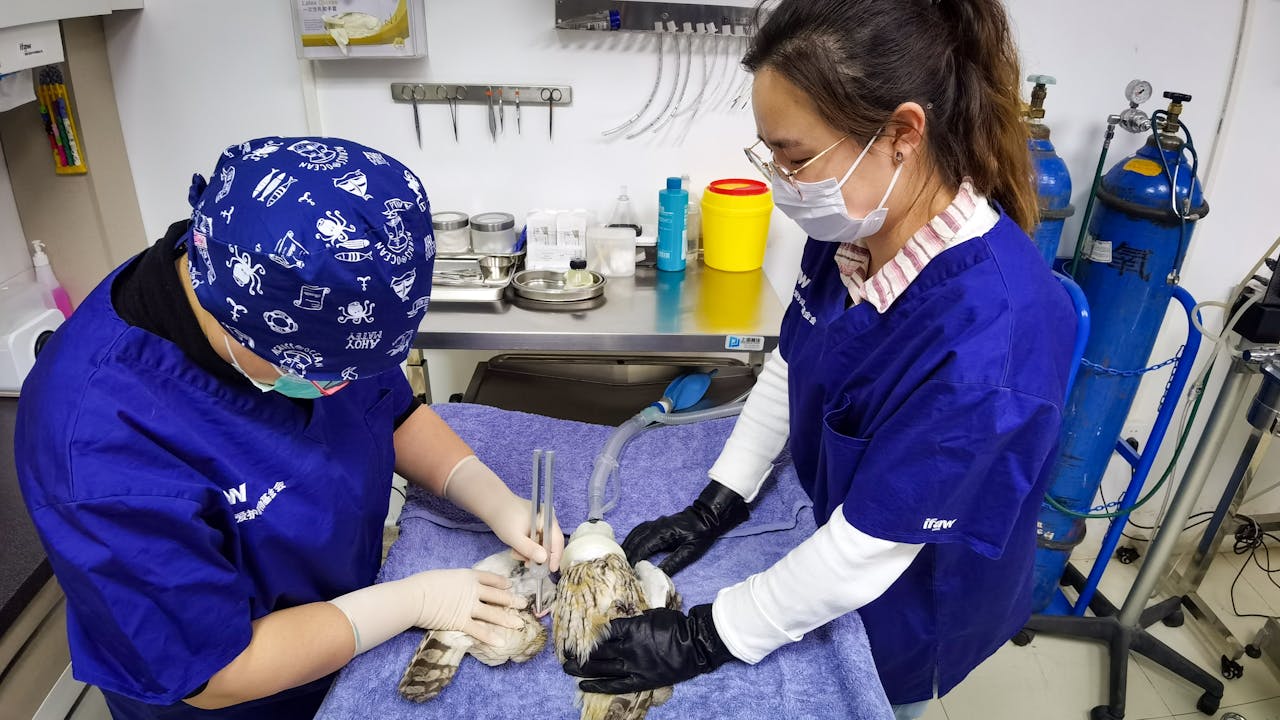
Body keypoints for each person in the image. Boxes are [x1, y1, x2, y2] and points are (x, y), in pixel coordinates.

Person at [562, 1, 1077, 718]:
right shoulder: (854, 230)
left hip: (914, 598)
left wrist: (706, 634)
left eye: (796, 156)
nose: (781, 178)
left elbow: (872, 546)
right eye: (769, 150)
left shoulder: (996, 338)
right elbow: (795, 361)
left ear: (901, 134)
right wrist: (720, 500)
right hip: (834, 540)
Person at [16, 136, 564, 720]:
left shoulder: (313, 295)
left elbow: (391, 413)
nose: (335, 388)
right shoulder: (102, 452)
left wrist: (491, 495)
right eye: (318, 372)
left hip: (347, 626)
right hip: (237, 695)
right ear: (242, 323)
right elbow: (216, 671)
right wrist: (414, 600)